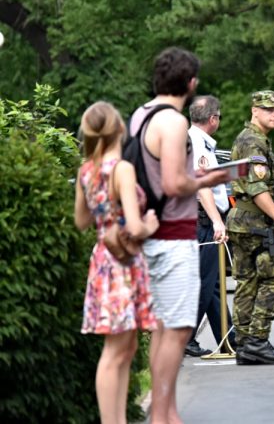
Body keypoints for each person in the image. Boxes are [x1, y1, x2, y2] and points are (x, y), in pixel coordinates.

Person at [132, 47, 231, 424]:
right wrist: (219, 176)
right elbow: (175, 183)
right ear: (191, 83)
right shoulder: (173, 123)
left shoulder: (140, 116)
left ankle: (164, 409)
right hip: (174, 234)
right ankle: (163, 413)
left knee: (162, 326)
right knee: (176, 330)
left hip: (148, 230)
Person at [74, 101, 160, 424]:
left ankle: (118, 419)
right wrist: (149, 223)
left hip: (103, 261)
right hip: (124, 264)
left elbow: (82, 221)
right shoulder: (122, 169)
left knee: (124, 346)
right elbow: (136, 227)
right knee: (115, 351)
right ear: (119, 129)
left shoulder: (87, 170)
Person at [227, 90, 274, 365]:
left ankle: (244, 344)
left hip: (241, 221)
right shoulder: (253, 142)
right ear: (255, 110)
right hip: (254, 223)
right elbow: (256, 188)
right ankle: (256, 340)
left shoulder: (248, 139)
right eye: (268, 109)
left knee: (247, 281)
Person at [185, 95, 236, 357]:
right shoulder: (197, 144)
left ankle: (228, 338)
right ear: (213, 119)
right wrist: (217, 220)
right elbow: (202, 185)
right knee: (204, 283)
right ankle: (185, 338)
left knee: (214, 284)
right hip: (203, 220)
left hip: (201, 219)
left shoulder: (196, 141)